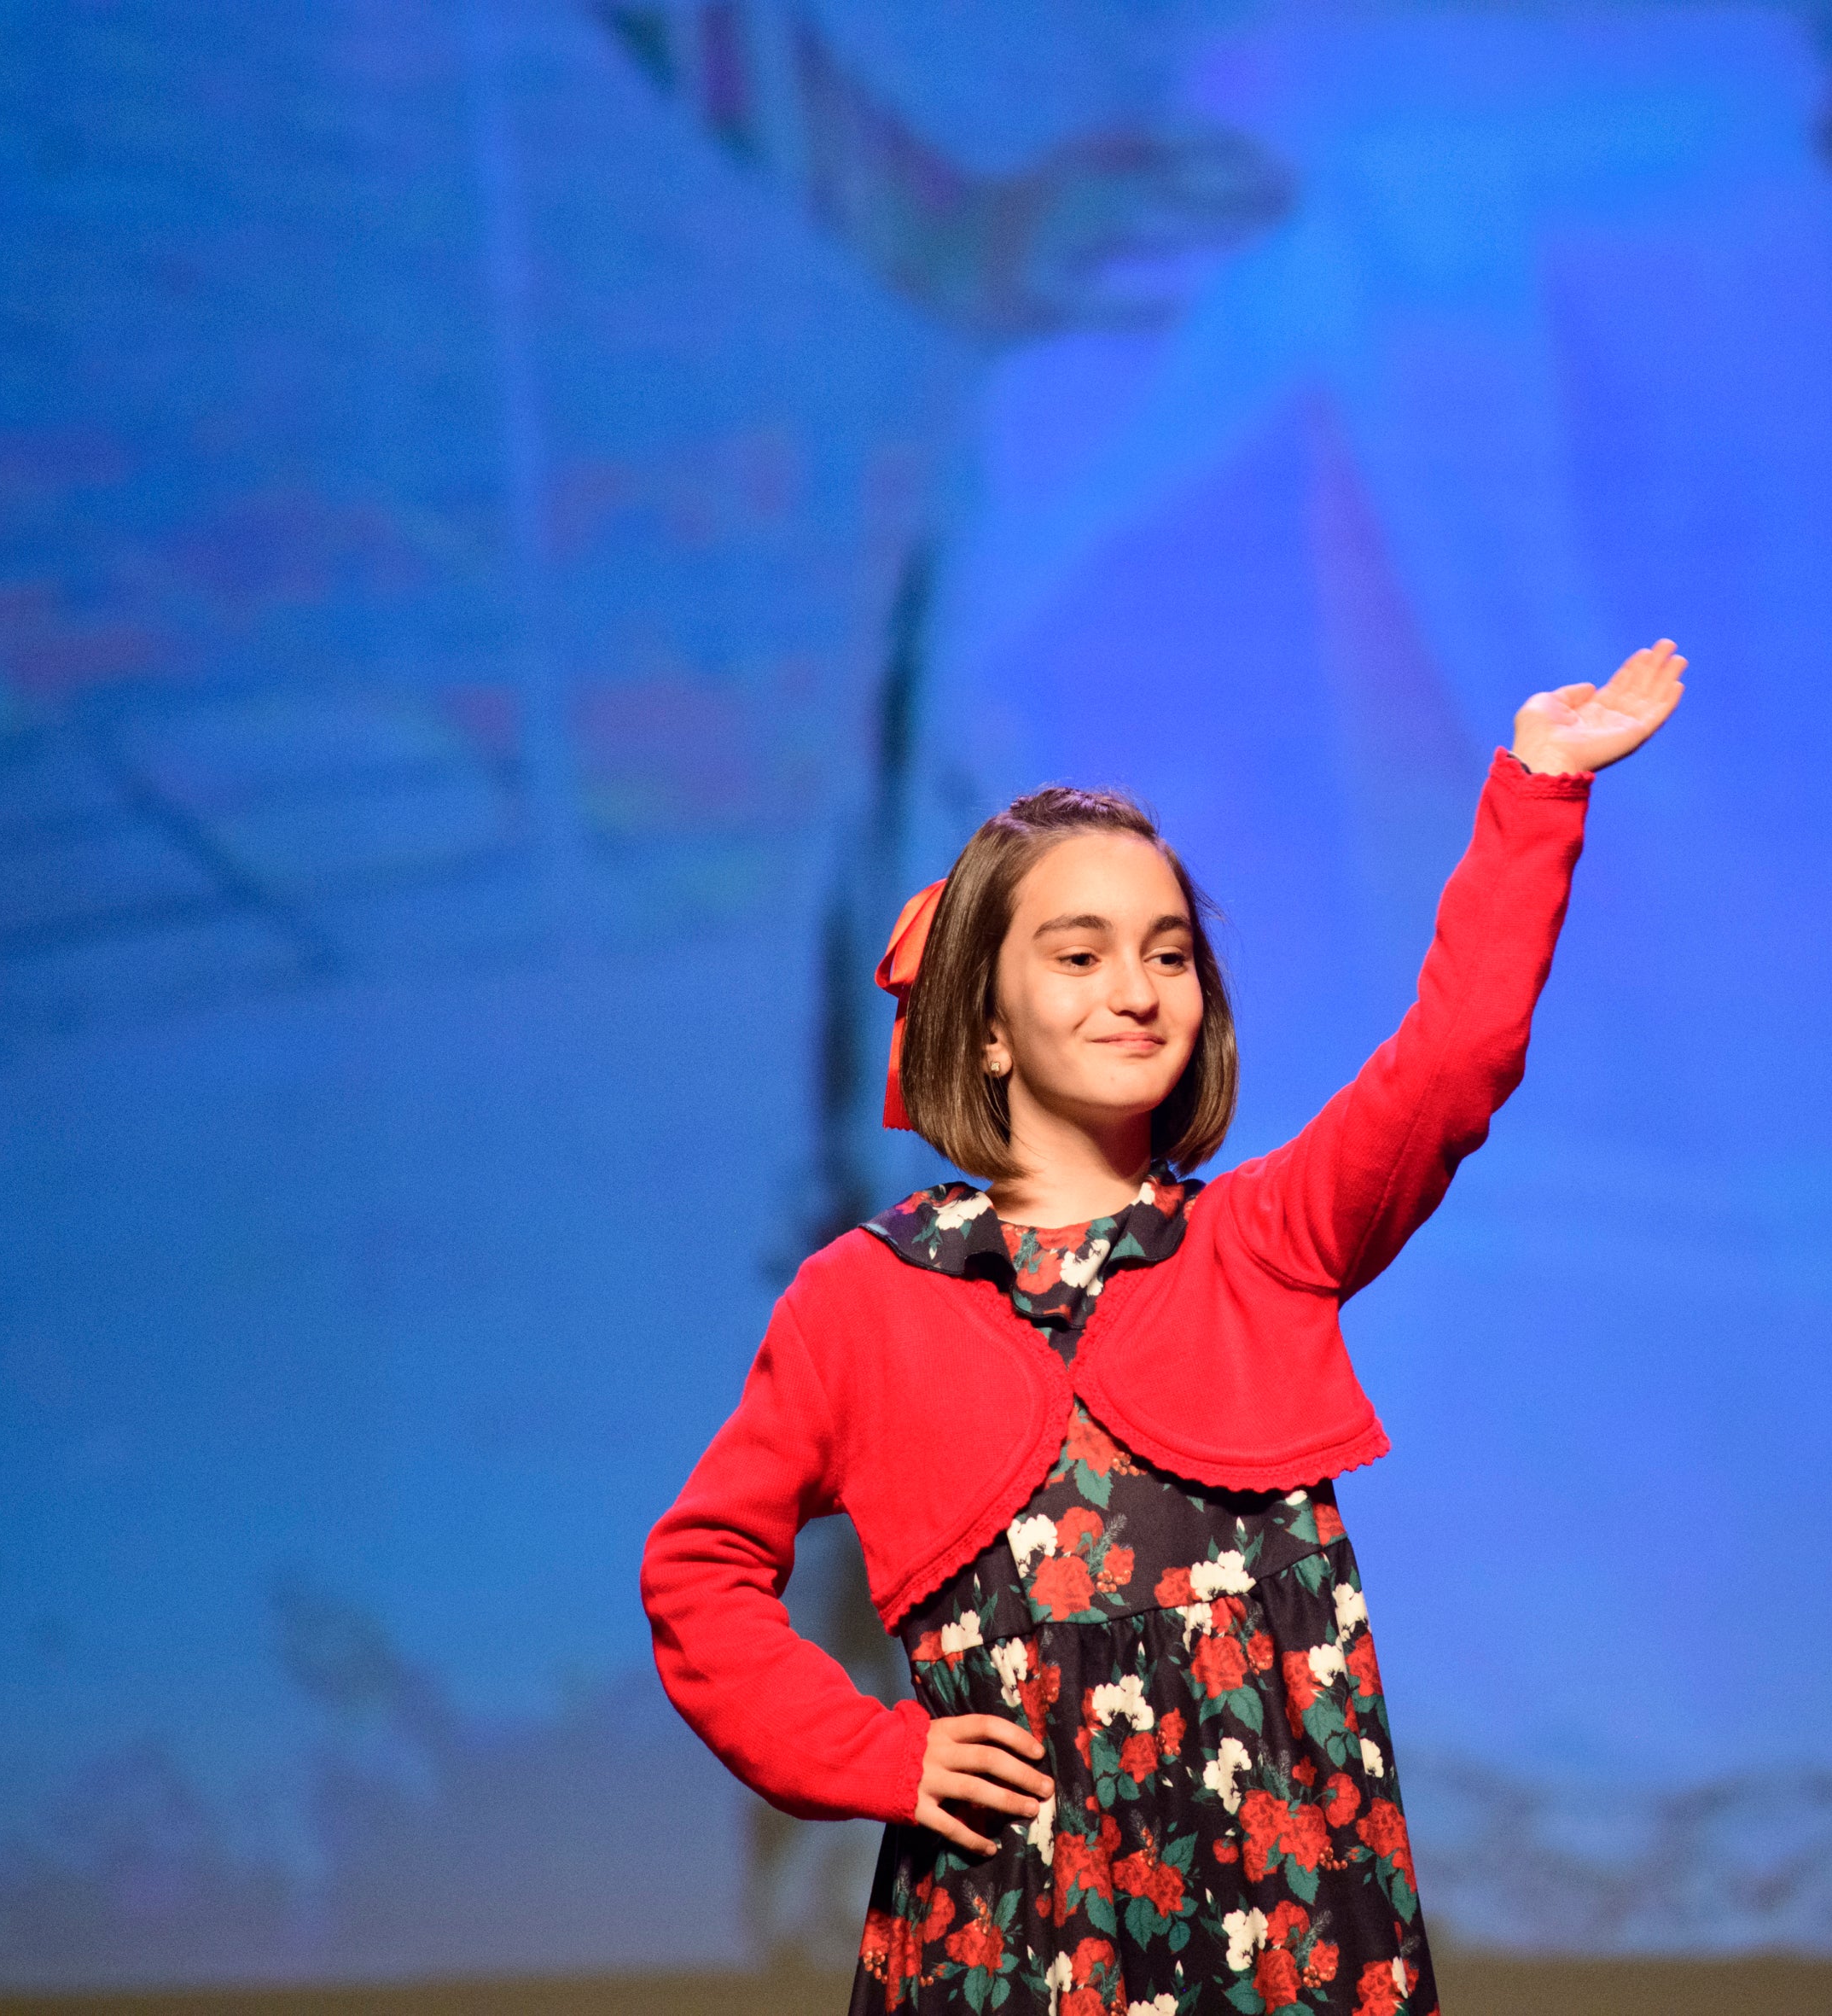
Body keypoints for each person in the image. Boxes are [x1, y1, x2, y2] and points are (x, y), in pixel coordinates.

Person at [643, 641, 1687, 2014]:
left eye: (1169, 952)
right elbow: (700, 1570)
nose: (1136, 989)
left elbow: (1457, 1055)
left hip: (1290, 1912)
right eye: (1078, 954)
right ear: (988, 1020)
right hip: (1015, 1922)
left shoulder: (1265, 1242)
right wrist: (874, 1754)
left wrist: (1540, 788)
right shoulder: (868, 1293)